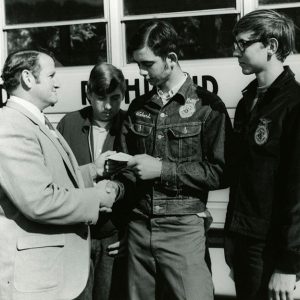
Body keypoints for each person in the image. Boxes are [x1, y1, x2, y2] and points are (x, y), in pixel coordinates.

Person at [116, 20, 232, 300]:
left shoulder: (207, 106)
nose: (142, 72)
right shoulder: (138, 107)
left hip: (183, 227)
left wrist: (162, 170)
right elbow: (125, 170)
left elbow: (222, 171)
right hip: (139, 226)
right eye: (138, 65)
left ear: (171, 59)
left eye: (148, 64)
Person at [0, 50, 121, 300]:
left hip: (54, 274)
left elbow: (53, 179)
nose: (57, 82)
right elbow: (40, 200)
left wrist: (92, 171)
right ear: (27, 78)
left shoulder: (34, 120)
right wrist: (95, 198)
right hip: (36, 279)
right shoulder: (10, 125)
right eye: (52, 75)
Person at [224, 9, 300, 300]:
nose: (235, 51)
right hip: (243, 240)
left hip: (272, 246)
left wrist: (288, 264)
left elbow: (297, 191)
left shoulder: (294, 104)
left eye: (243, 43)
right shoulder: (248, 102)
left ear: (271, 46)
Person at [57, 62, 127, 300]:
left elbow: (142, 186)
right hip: (76, 236)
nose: (108, 106)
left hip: (113, 236)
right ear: (88, 93)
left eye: (115, 98)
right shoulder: (69, 123)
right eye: (100, 97)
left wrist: (131, 234)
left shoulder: (131, 125)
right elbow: (56, 178)